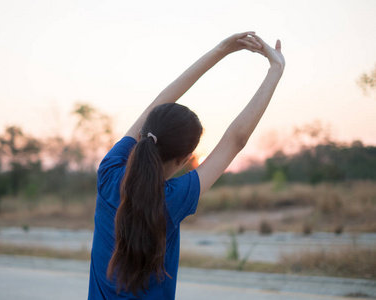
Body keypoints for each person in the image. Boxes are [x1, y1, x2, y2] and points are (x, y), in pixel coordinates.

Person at [88, 32, 285, 299]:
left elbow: (160, 102)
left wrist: (220, 49)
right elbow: (235, 140)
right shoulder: (172, 200)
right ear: (183, 160)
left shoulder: (108, 172)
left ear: (146, 131)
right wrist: (276, 68)